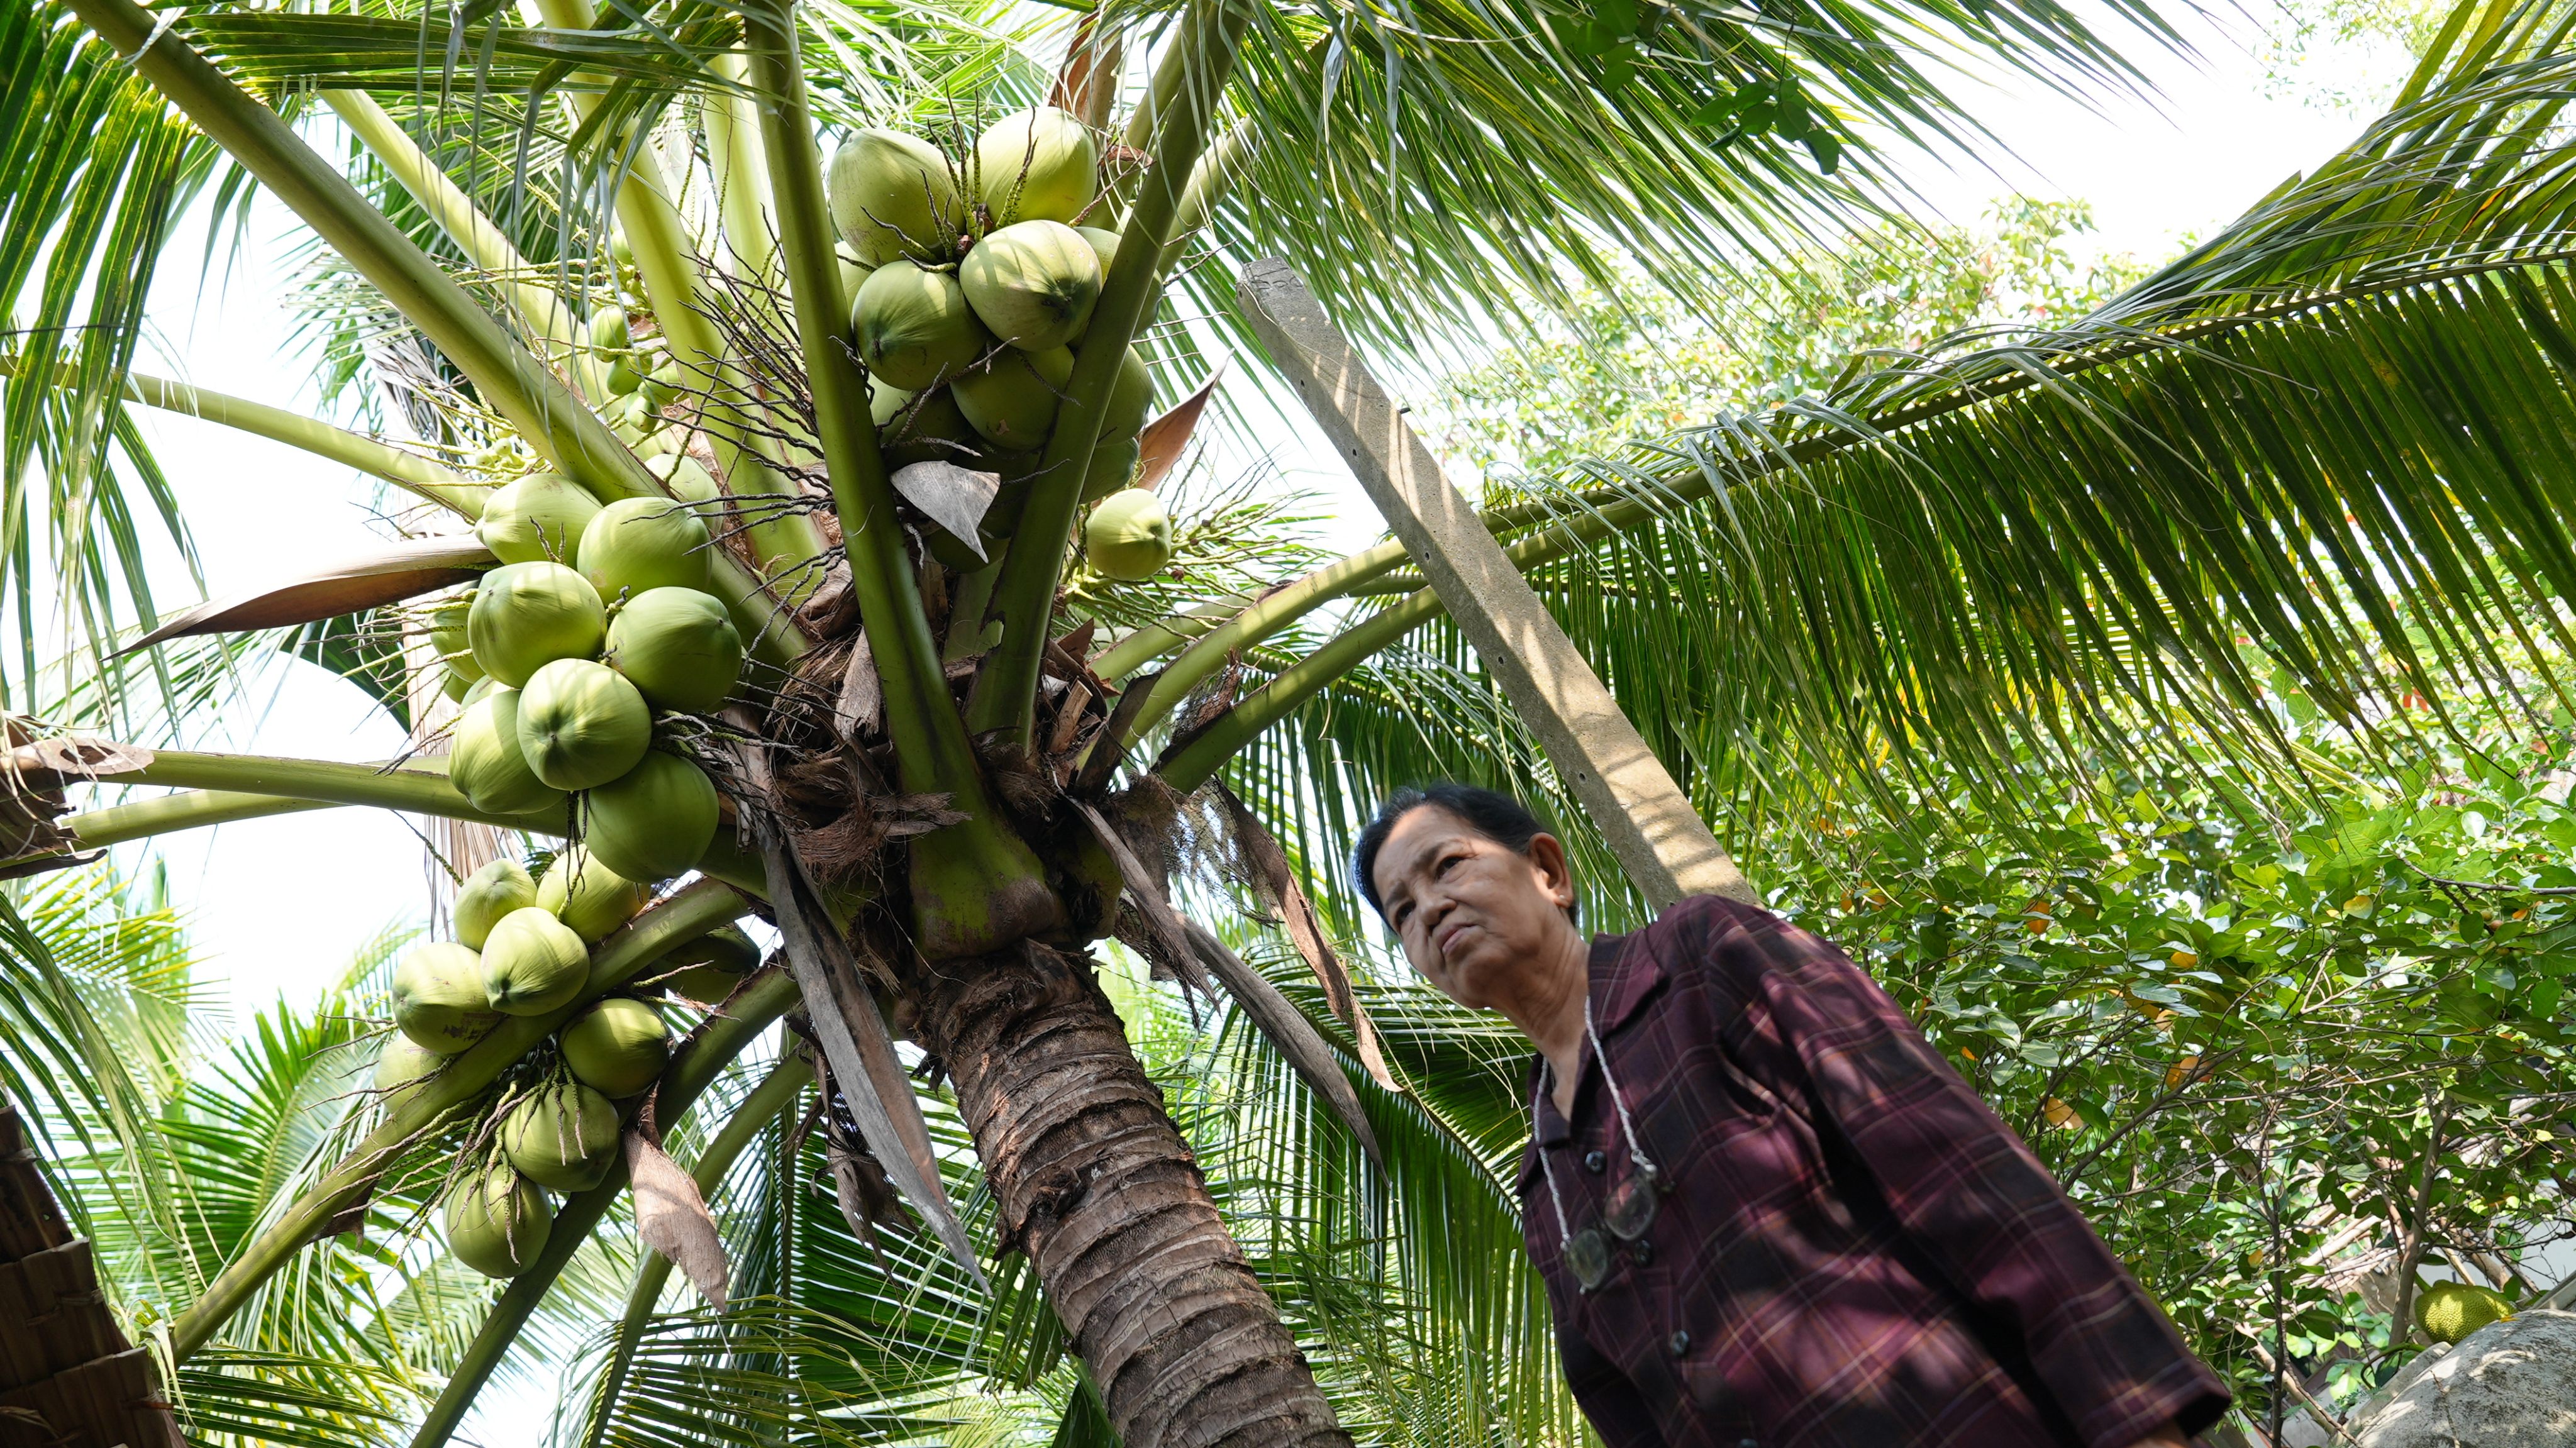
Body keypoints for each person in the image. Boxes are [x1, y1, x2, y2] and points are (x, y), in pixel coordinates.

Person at [1355, 783, 2231, 1448]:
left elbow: (1954, 1163)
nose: (1429, 907)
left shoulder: (1701, 961)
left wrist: (2138, 1418)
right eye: (1402, 909)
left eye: (1448, 865)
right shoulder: (1544, 1187)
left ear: (1547, 870)